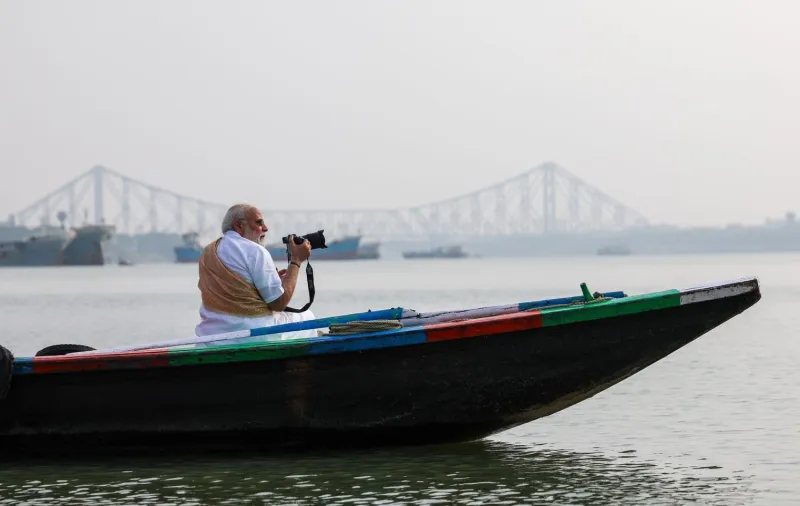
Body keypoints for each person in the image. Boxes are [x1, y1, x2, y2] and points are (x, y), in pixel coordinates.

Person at [194, 203, 318, 342]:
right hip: (255, 334)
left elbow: (233, 289)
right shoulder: (256, 251)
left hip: (212, 335)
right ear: (239, 225)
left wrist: (264, 283)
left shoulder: (208, 251)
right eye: (259, 223)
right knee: (307, 317)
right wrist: (296, 261)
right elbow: (278, 304)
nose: (266, 228)